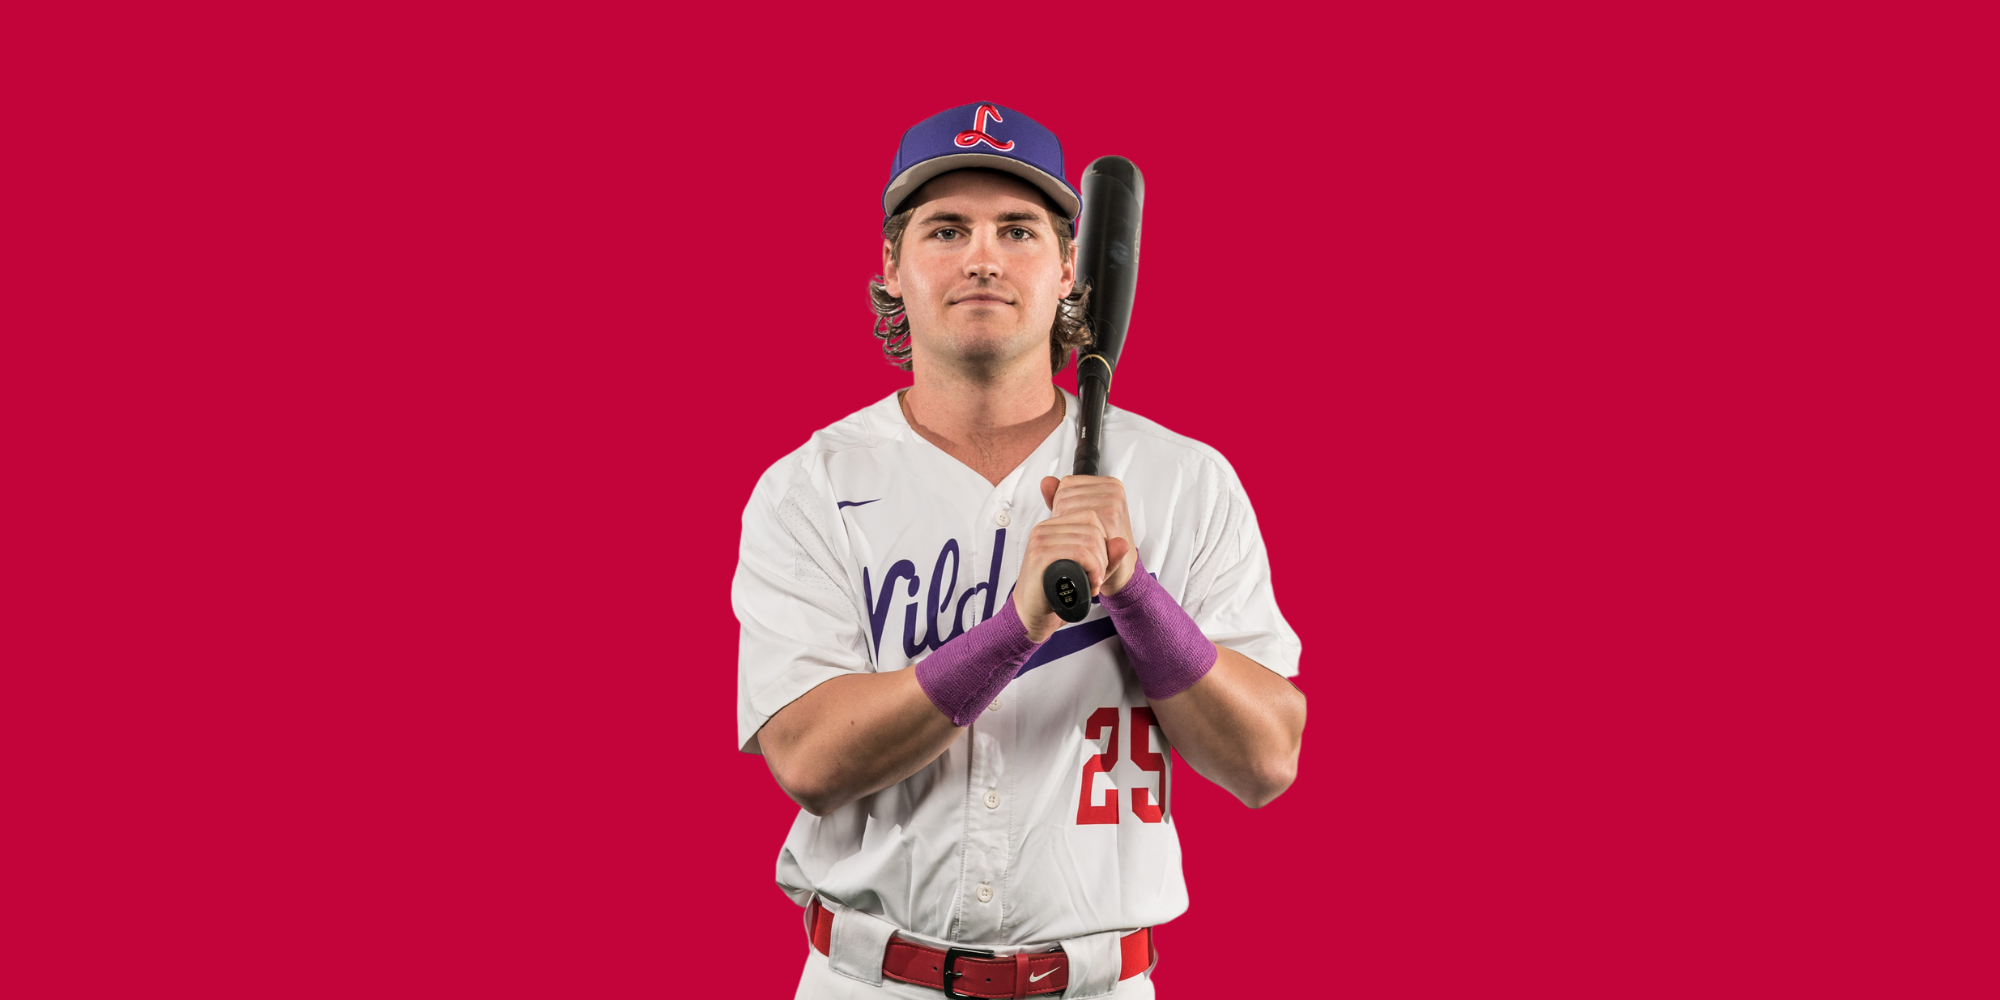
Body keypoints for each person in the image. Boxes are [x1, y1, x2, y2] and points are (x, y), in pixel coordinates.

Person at [733, 101, 1306, 999]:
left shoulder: (1183, 480)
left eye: (1018, 229)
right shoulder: (808, 488)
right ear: (891, 266)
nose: (983, 258)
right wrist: (1017, 627)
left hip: (1098, 984)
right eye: (946, 228)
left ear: (1072, 266)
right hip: (870, 979)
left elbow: (1268, 760)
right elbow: (809, 760)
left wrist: (1136, 594)